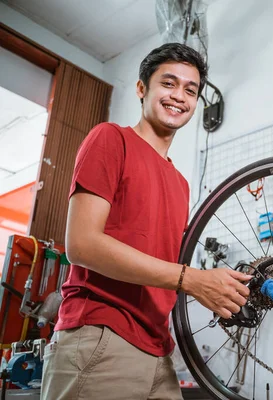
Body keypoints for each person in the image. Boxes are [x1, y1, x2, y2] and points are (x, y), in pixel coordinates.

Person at [40, 42, 252, 400]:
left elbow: (164, 269)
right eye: (168, 83)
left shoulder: (181, 184)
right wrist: (191, 279)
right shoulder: (110, 139)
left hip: (159, 350)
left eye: (190, 89)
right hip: (101, 335)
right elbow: (82, 244)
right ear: (142, 89)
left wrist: (225, 288)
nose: (179, 96)